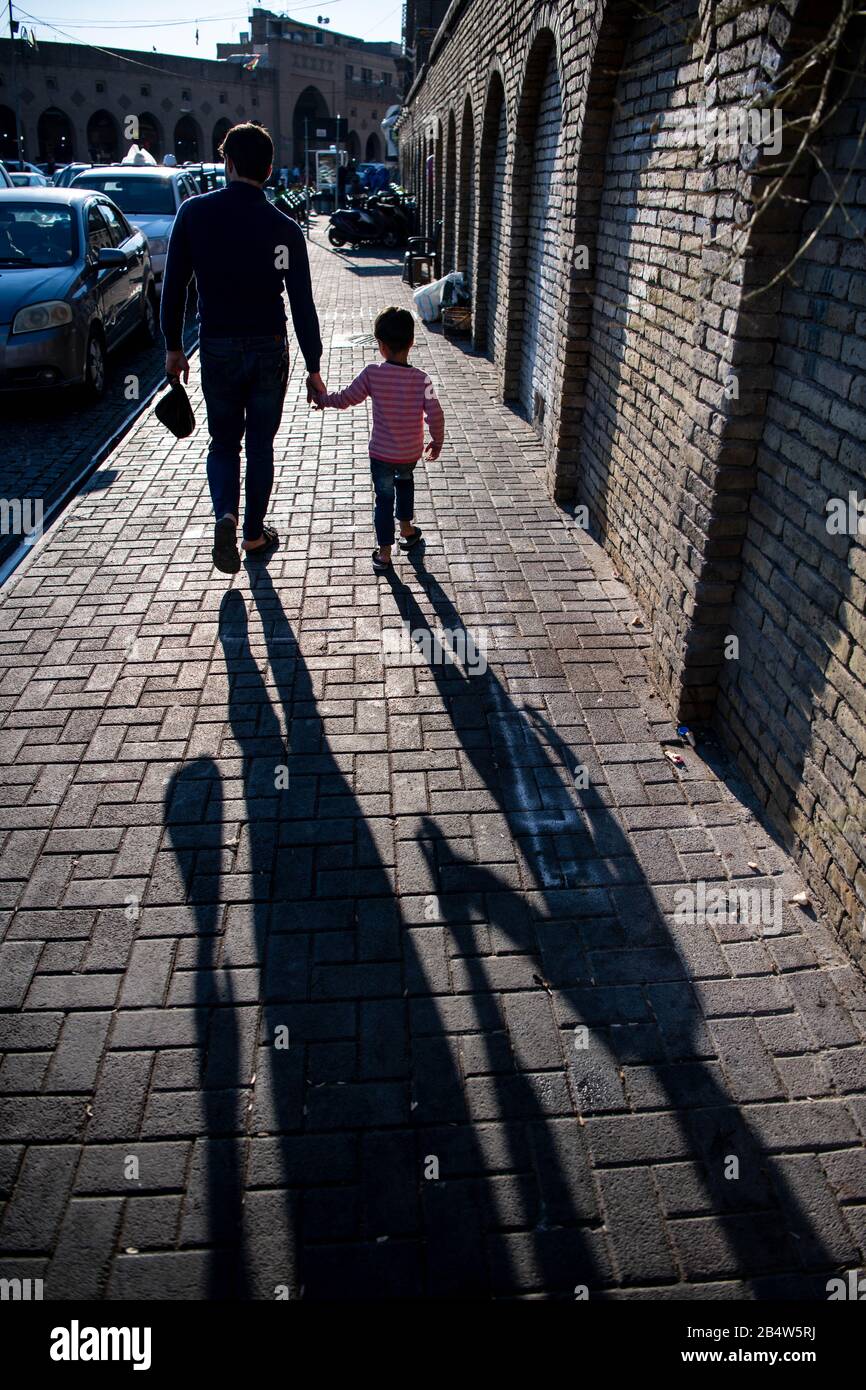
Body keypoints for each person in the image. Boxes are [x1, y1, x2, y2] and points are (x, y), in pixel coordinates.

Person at [161, 122, 325, 574]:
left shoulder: (194, 214)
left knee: (223, 443)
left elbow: (173, 288)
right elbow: (302, 303)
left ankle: (225, 517)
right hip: (270, 346)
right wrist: (314, 367)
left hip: (215, 346)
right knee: (261, 446)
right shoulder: (285, 228)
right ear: (270, 169)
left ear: (227, 163)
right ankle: (253, 534)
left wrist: (173, 347)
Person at [312, 305, 444, 573]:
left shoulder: (372, 373)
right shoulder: (422, 380)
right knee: (405, 484)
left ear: (381, 345)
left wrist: (323, 400)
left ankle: (384, 553)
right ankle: (407, 530)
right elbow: (436, 414)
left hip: (382, 454)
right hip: (409, 453)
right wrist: (436, 441)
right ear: (411, 342)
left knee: (383, 499)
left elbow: (347, 398)